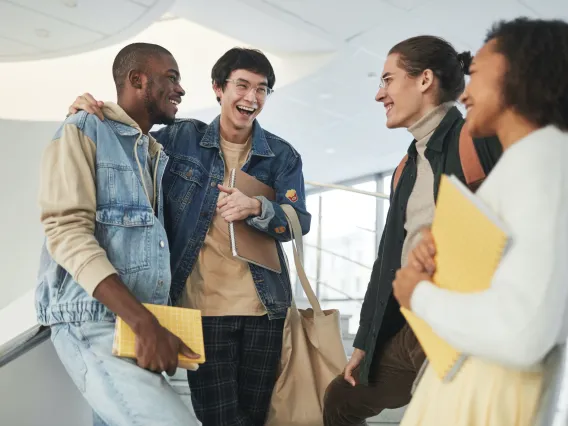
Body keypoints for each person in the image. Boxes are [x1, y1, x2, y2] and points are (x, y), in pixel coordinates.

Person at [69, 47, 311, 426]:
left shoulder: (281, 156)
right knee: (220, 420)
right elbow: (128, 138)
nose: (251, 98)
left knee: (257, 417)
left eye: (262, 90)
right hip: (203, 313)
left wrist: (258, 209)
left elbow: (299, 222)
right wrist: (89, 111)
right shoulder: (181, 139)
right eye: (242, 86)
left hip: (265, 312)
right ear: (218, 88)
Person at [393, 17, 568, 426]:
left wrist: (418, 294)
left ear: (517, 70)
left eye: (474, 74)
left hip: (487, 399)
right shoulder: (531, 161)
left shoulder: (545, 160)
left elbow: (522, 332)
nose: (465, 92)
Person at [323, 36, 502, 425]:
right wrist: (364, 345)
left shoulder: (478, 140)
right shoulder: (407, 168)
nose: (379, 94)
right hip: (413, 327)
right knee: (341, 399)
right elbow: (386, 259)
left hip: (464, 320)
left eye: (388, 80)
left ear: (424, 80)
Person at [36, 43, 200, 426]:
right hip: (95, 323)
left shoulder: (152, 153)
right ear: (137, 80)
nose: (180, 89)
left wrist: (148, 324)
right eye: (171, 78)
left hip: (135, 328)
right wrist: (144, 322)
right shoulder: (83, 129)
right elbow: (66, 233)